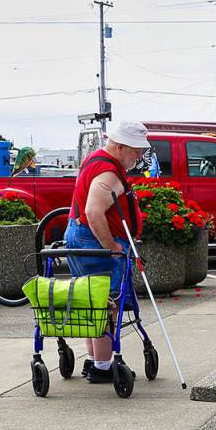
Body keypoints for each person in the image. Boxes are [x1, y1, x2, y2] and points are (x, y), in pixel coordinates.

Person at [64, 121, 147, 383]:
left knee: (92, 301)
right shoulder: (109, 172)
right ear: (120, 146)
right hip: (92, 241)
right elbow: (93, 211)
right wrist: (111, 246)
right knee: (105, 303)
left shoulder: (95, 160)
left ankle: (94, 360)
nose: (139, 156)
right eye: (136, 151)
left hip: (80, 236)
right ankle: (102, 366)